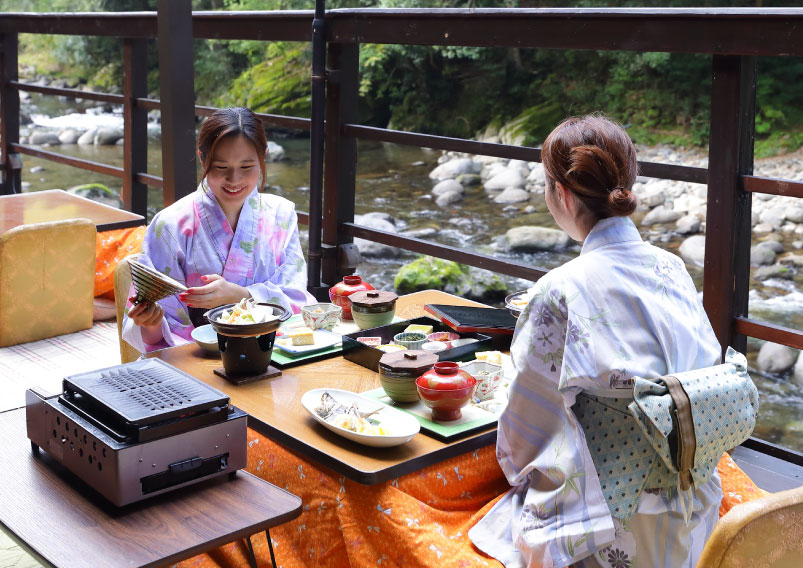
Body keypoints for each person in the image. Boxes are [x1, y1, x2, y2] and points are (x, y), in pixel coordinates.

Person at [469, 114, 723, 568]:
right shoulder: (674, 269)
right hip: (694, 505)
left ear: (561, 194)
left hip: (607, 528)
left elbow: (523, 434)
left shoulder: (559, 289)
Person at [122, 107, 313, 352]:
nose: (234, 180)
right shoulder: (169, 226)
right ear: (202, 158)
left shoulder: (281, 215)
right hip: (196, 358)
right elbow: (156, 335)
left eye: (246, 167)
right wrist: (151, 321)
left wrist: (238, 294)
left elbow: (296, 299)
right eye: (221, 167)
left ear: (263, 157)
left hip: (274, 349)